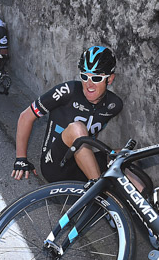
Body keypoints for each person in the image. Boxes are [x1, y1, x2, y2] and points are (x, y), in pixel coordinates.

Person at [12, 46, 122, 182]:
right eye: (84, 77)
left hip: (81, 166)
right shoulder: (67, 91)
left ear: (110, 79)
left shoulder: (114, 105)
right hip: (54, 167)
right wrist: (21, 159)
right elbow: (26, 116)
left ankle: (143, 202)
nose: (89, 85)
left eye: (96, 78)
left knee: (125, 157)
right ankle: (98, 189)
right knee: (77, 129)